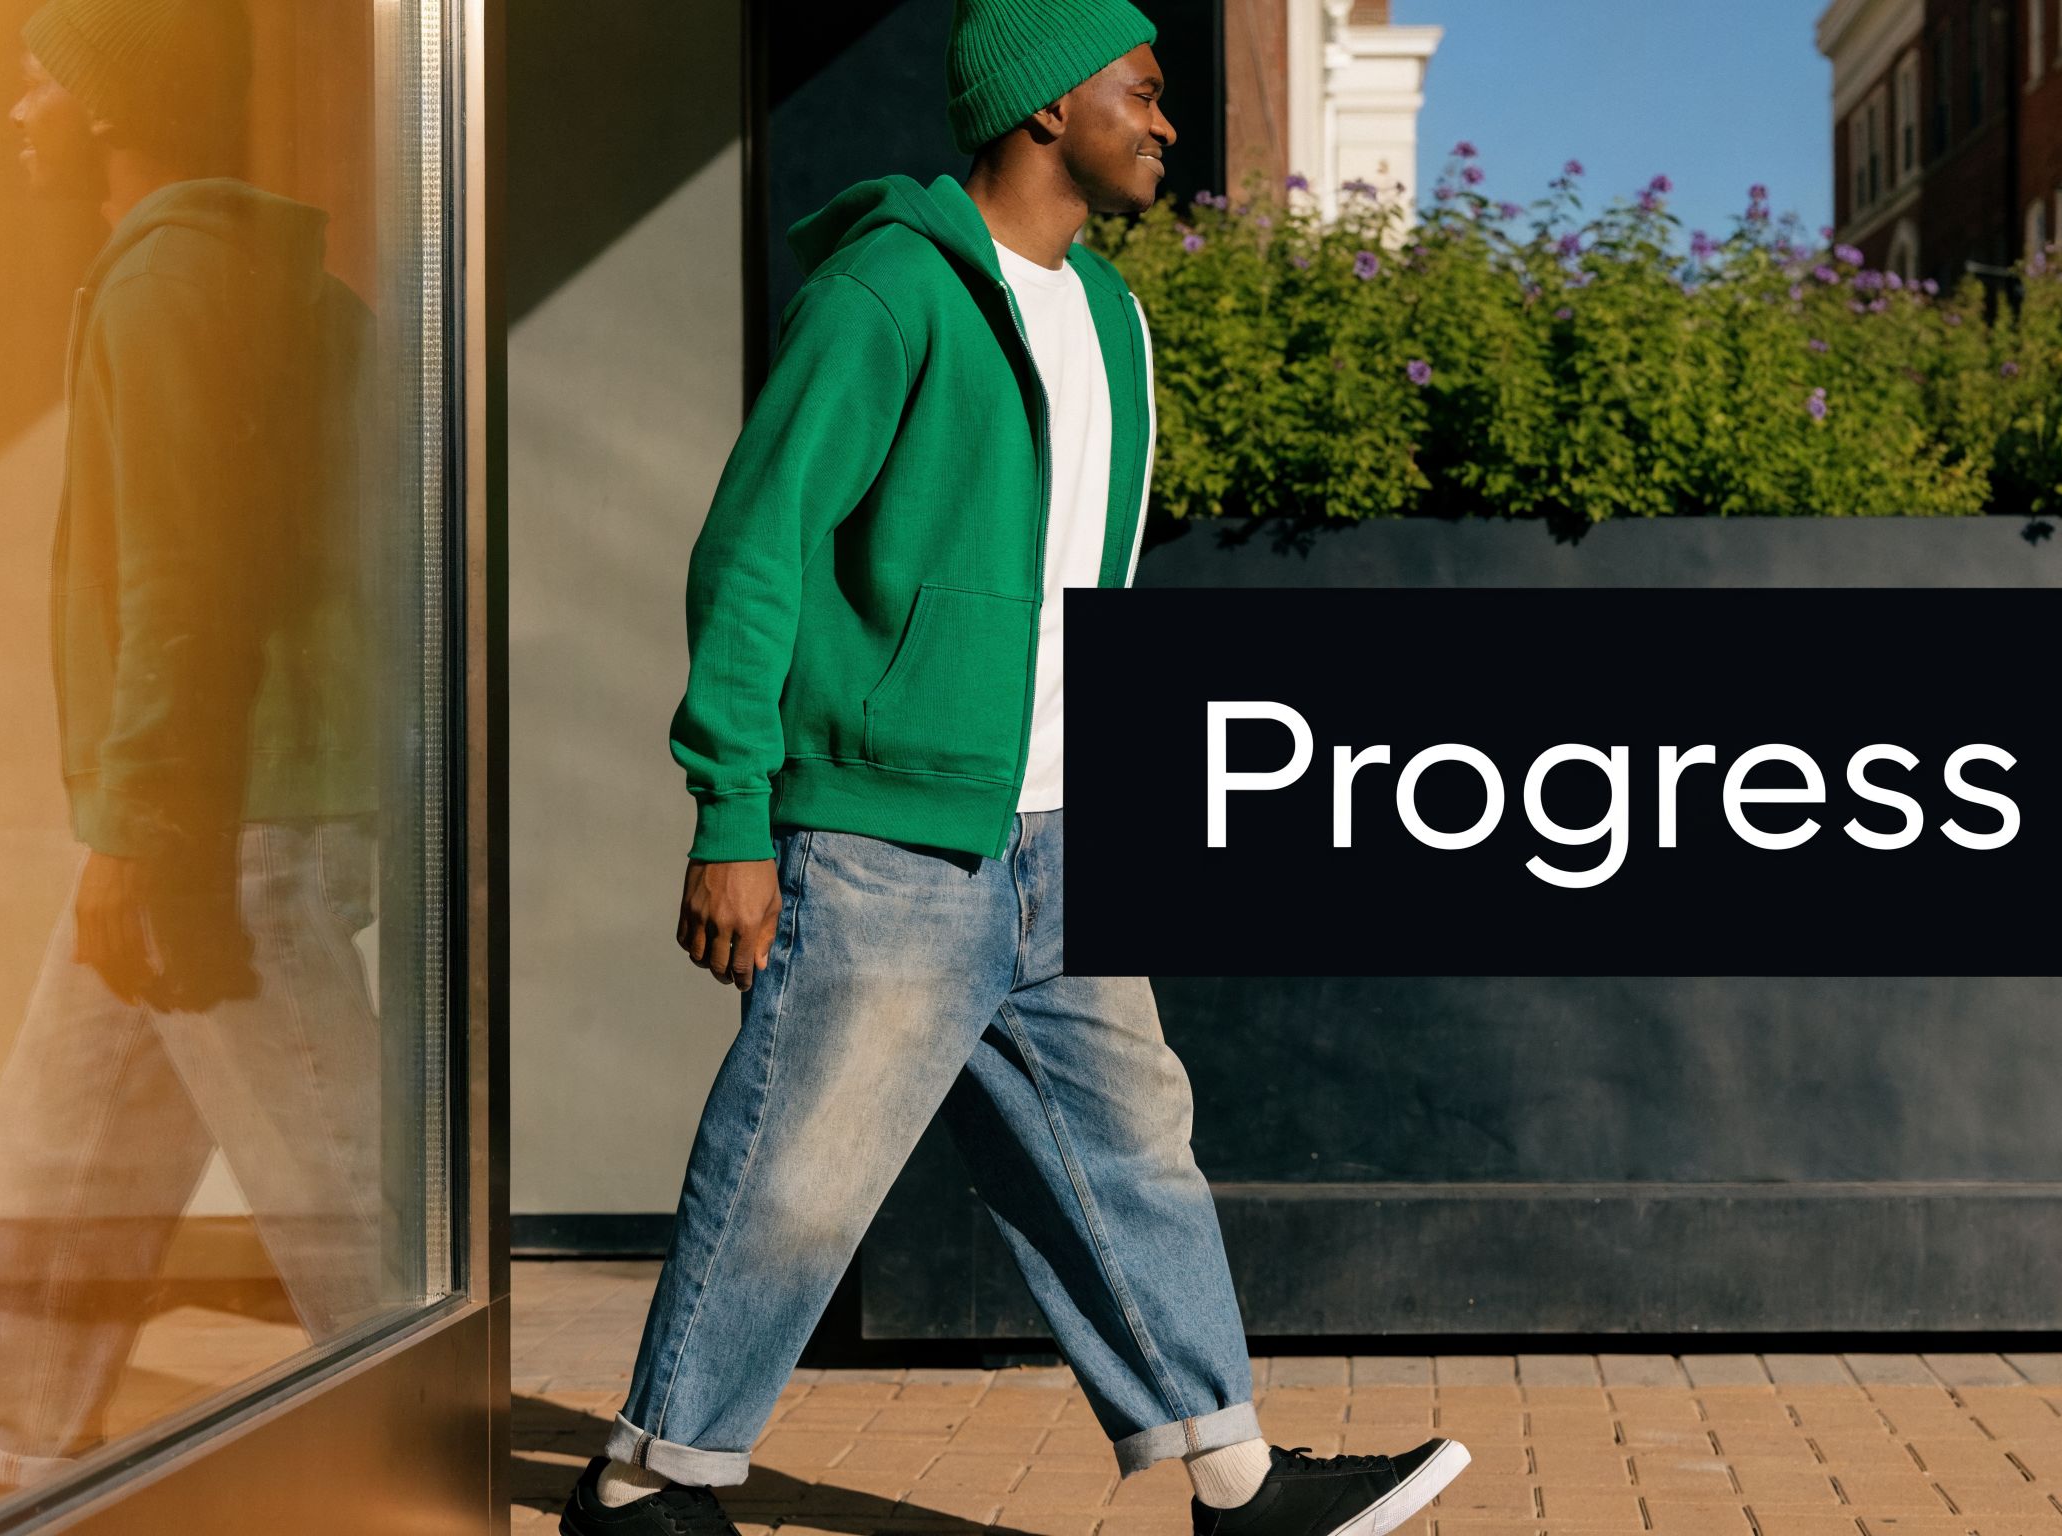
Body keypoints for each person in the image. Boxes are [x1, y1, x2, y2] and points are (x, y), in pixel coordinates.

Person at [562, 3, 1470, 1533]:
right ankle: (651, 1478)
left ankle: (1233, 1484)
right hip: (888, 838)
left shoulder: (1110, 318)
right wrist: (730, 808)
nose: (1165, 124)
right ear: (1048, 107)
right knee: (801, 1170)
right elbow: (756, 549)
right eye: (1144, 93)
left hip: (1062, 827)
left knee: (1133, 1155)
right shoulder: (889, 293)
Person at [0, 0, 389, 1507]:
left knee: (334, 1179)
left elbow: (184, 582)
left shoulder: (168, 284)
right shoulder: (271, 278)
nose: (18, 116)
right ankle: (2, 1450)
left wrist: (140, 829)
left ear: (104, 104)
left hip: (225, 813)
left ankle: (418, 1430)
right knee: (52, 1148)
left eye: (36, 88)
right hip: (218, 795)